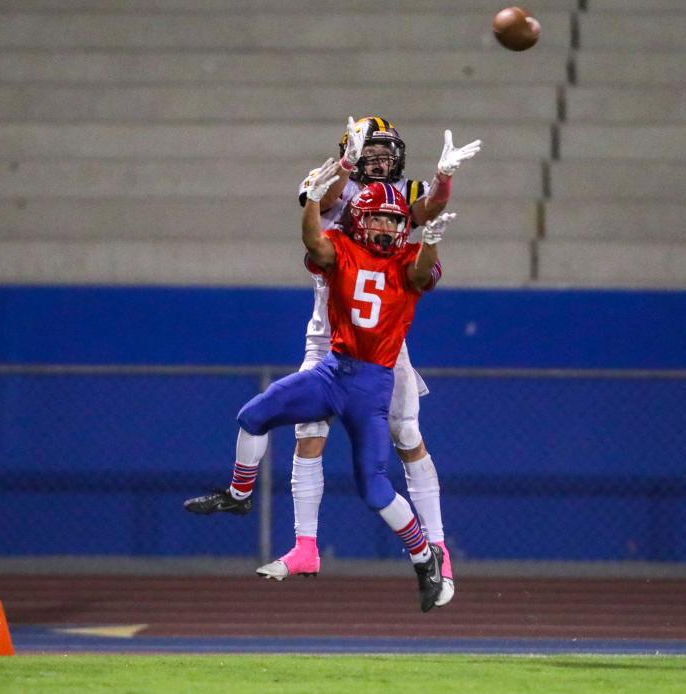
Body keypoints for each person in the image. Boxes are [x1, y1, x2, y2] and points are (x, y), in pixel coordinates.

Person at [186, 165, 457, 612]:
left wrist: (431, 241)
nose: (386, 225)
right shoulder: (343, 246)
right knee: (253, 415)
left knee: (374, 489)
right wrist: (312, 199)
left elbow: (423, 273)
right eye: (378, 217)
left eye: (393, 219)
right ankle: (239, 495)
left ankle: (424, 556)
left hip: (371, 386)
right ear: (358, 219)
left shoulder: (407, 258)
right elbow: (313, 242)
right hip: (332, 371)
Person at [262, 116, 480, 606]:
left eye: (386, 150)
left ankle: (438, 547)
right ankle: (305, 545)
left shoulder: (402, 194)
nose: (380, 158)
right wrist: (342, 166)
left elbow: (429, 208)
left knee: (406, 434)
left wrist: (444, 180)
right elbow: (314, 207)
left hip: (380, 331)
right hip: (328, 327)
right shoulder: (329, 181)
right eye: (369, 149)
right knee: (308, 433)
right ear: (351, 150)